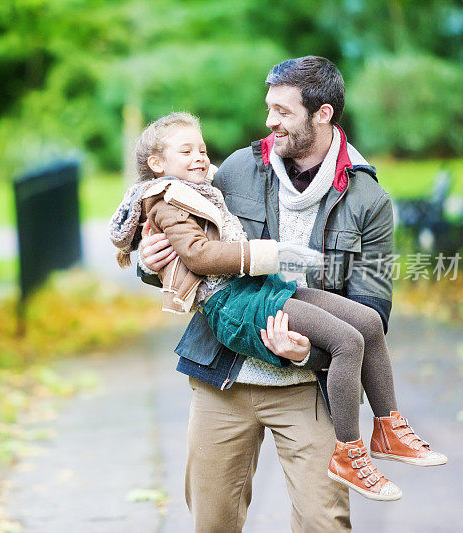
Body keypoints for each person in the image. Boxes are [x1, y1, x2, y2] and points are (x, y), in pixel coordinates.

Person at [134, 57, 442, 532]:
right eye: (268, 108)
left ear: (322, 114)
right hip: (224, 376)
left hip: (307, 386)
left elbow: (373, 307)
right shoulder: (237, 169)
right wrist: (149, 265)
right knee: (212, 523)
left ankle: (385, 431)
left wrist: (307, 350)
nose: (269, 122)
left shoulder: (369, 200)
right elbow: (194, 249)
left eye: (282, 111)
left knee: (325, 523)